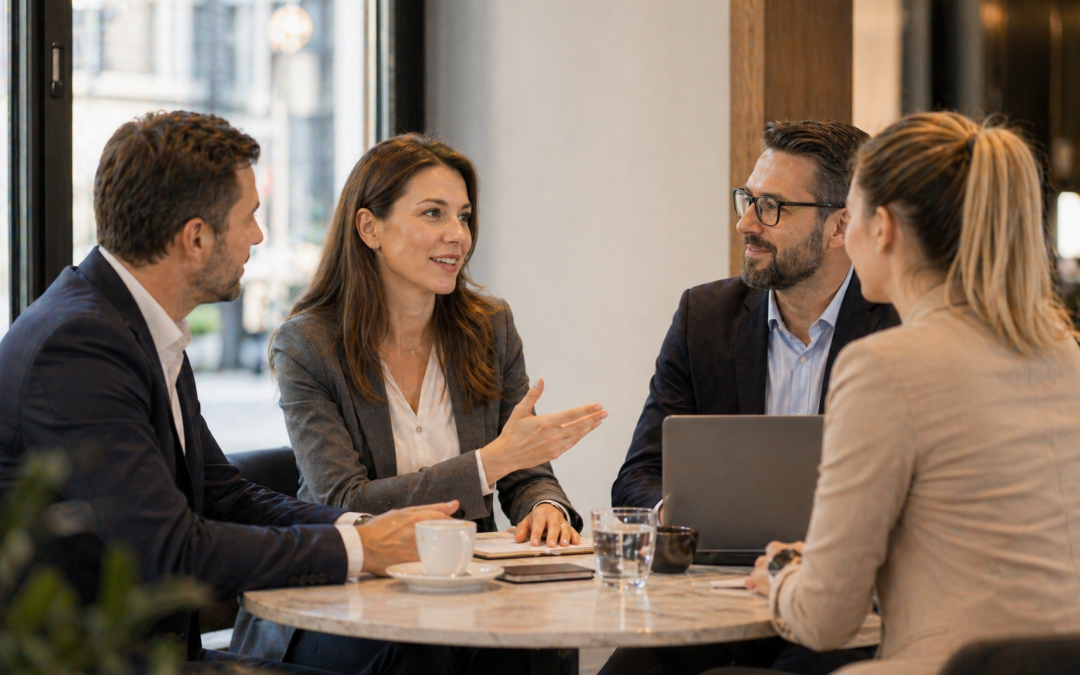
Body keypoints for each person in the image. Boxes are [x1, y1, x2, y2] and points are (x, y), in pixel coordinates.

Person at [0, 110, 457, 675]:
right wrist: (362, 552)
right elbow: (171, 550)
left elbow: (228, 498)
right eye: (249, 218)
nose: (257, 237)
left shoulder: (137, 329)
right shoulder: (78, 346)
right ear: (196, 238)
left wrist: (362, 528)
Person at [231, 134, 606, 673]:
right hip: (336, 603)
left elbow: (523, 469)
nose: (457, 235)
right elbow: (345, 499)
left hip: (463, 593)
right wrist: (489, 463)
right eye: (433, 214)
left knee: (543, 648)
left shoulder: (489, 327)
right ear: (369, 228)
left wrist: (544, 507)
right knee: (419, 657)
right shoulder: (307, 344)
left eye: (464, 216)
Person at [735, 112, 1080, 675]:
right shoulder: (1063, 351)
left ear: (884, 228)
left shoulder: (885, 367)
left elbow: (825, 621)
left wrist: (782, 573)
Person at [603, 120, 898, 675]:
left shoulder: (899, 326)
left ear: (840, 226)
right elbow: (638, 475)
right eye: (747, 200)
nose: (745, 223)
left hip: (846, 606)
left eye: (772, 207)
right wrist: (684, 516)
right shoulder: (704, 318)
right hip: (717, 592)